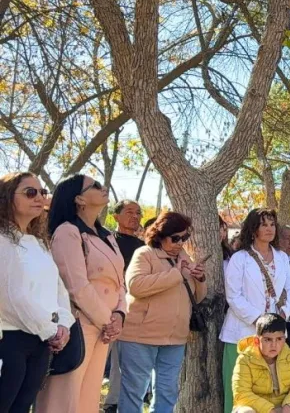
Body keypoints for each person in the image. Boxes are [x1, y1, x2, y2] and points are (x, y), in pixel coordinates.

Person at [36, 174, 127, 413]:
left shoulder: (108, 235)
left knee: (88, 399)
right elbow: (76, 285)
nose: (103, 187)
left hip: (105, 328)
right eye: (95, 186)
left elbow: (120, 282)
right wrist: (108, 320)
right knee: (64, 398)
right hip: (78, 325)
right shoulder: (68, 232)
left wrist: (120, 315)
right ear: (79, 199)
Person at [117, 212, 207, 413]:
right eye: (175, 238)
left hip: (175, 338)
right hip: (140, 336)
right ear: (160, 235)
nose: (180, 243)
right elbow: (135, 286)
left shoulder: (185, 257)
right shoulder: (145, 254)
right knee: (134, 392)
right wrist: (176, 274)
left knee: (167, 392)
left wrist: (200, 280)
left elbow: (196, 298)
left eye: (184, 238)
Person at [0, 172, 72, 413]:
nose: (39, 197)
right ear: (7, 197)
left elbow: (58, 289)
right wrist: (50, 330)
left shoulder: (38, 243)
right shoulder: (1, 240)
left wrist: (64, 323)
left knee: (21, 408)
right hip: (9, 340)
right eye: (30, 192)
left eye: (42, 192)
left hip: (41, 341)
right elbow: (10, 296)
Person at [221, 208, 290, 413]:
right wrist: (259, 319)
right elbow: (233, 296)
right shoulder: (240, 258)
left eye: (272, 224)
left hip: (274, 335)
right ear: (253, 228)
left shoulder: (282, 257)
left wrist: (282, 315)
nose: (269, 229)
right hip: (241, 333)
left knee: (273, 389)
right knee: (239, 390)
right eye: (264, 224)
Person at [104, 199, 145, 413]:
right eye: (129, 212)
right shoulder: (106, 240)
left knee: (123, 360)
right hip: (103, 306)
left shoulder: (144, 248)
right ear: (115, 216)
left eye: (138, 213)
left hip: (132, 310)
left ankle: (113, 403)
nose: (135, 216)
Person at [232, 313, 290, 413]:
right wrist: (269, 410)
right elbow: (242, 393)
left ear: (285, 339)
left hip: (283, 407)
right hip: (257, 408)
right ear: (257, 341)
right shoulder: (245, 360)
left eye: (279, 339)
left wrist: (288, 407)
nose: (274, 345)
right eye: (268, 340)